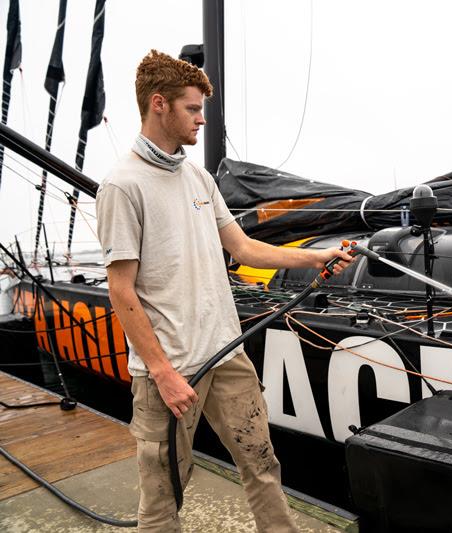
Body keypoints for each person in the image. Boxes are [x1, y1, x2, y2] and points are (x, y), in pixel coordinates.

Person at [96, 49, 353, 532]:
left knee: (262, 462)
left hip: (225, 352)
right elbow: (121, 290)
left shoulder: (197, 176)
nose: (201, 119)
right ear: (159, 105)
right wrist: (162, 372)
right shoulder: (122, 186)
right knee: (162, 495)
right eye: (192, 109)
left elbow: (244, 247)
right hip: (170, 371)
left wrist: (315, 256)